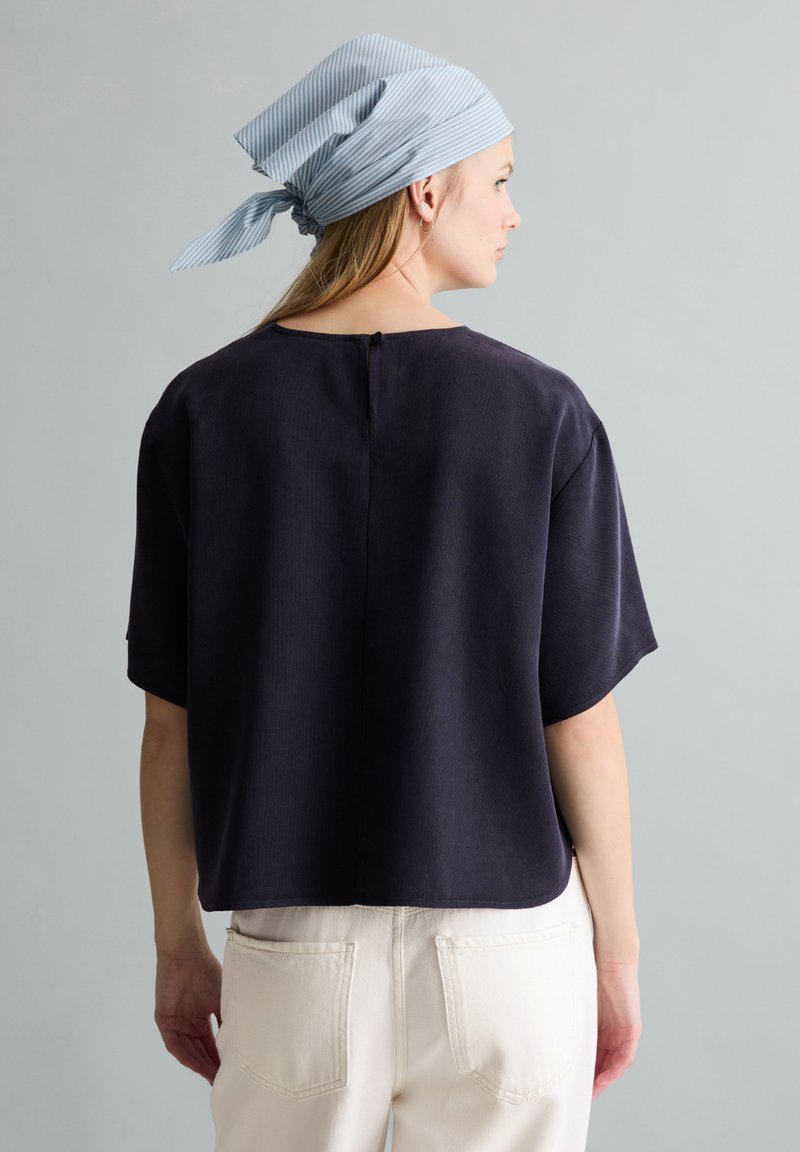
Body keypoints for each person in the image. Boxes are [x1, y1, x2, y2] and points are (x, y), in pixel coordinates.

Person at [126, 32, 658, 1152]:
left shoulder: (201, 412)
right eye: (497, 180)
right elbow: (581, 723)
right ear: (424, 189)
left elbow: (171, 728)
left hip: (293, 954)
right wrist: (615, 953)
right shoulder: (544, 414)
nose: (513, 213)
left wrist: (178, 946)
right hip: (508, 954)